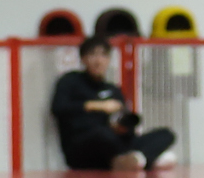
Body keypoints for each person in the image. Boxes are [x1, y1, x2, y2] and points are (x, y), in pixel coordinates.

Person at [51, 36, 175, 171]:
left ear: (109, 59)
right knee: (103, 134)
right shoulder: (70, 81)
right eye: (93, 55)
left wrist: (123, 128)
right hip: (83, 147)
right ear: (83, 58)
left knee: (166, 134)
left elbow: (125, 125)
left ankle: (137, 159)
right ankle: (147, 159)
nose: (98, 61)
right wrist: (98, 106)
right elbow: (58, 108)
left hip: (115, 143)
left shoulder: (112, 89)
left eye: (104, 55)